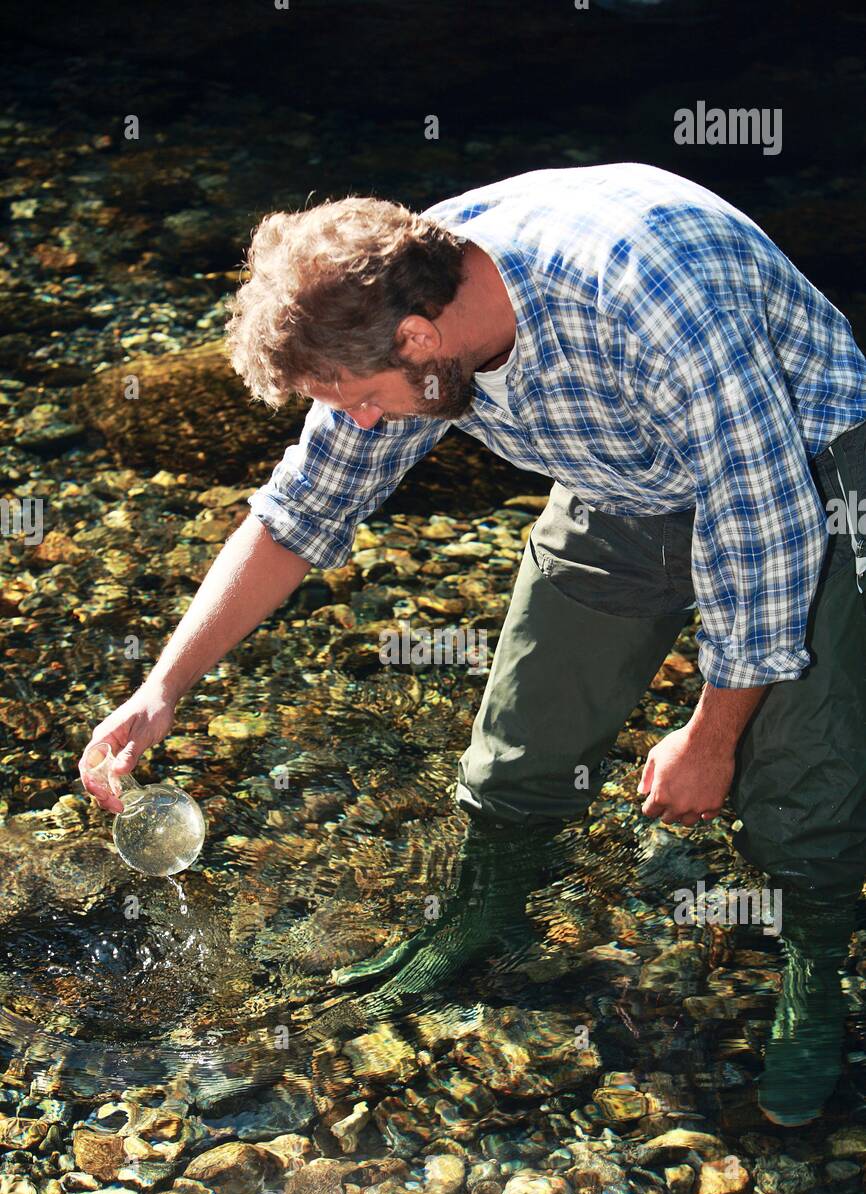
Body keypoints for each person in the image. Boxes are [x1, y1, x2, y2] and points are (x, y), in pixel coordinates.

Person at [80, 165, 866, 1098]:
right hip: (619, 468)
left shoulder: (648, 302)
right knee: (518, 747)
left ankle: (815, 961)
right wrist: (161, 686)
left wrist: (710, 735)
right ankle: (488, 911)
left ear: (420, 340)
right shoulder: (391, 314)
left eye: (362, 399)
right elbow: (300, 511)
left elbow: (759, 523)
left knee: (798, 772)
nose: (362, 421)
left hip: (805, 465)